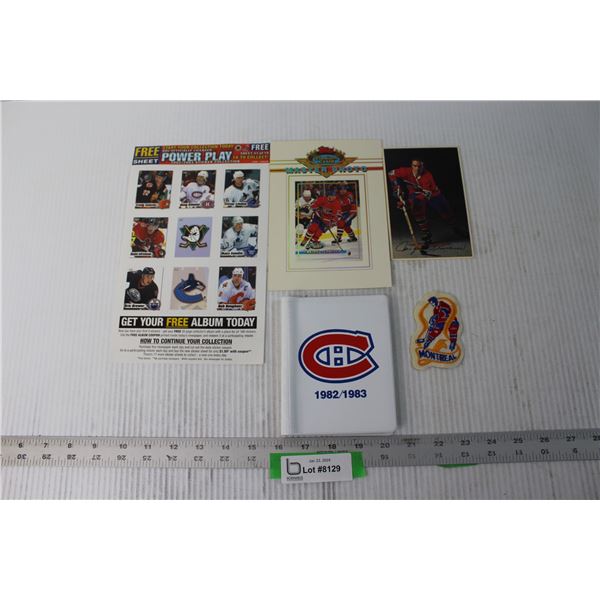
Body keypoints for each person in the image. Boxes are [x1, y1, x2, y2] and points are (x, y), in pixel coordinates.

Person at [388, 159, 460, 248]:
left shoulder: (427, 176)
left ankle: (456, 227)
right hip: (415, 194)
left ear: (423, 166)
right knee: (417, 209)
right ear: (411, 166)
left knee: (446, 212)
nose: (417, 169)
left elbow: (425, 196)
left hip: (434, 195)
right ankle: (426, 234)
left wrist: (406, 202)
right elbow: (391, 173)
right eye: (414, 166)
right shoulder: (405, 171)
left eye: (419, 166)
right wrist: (396, 188)